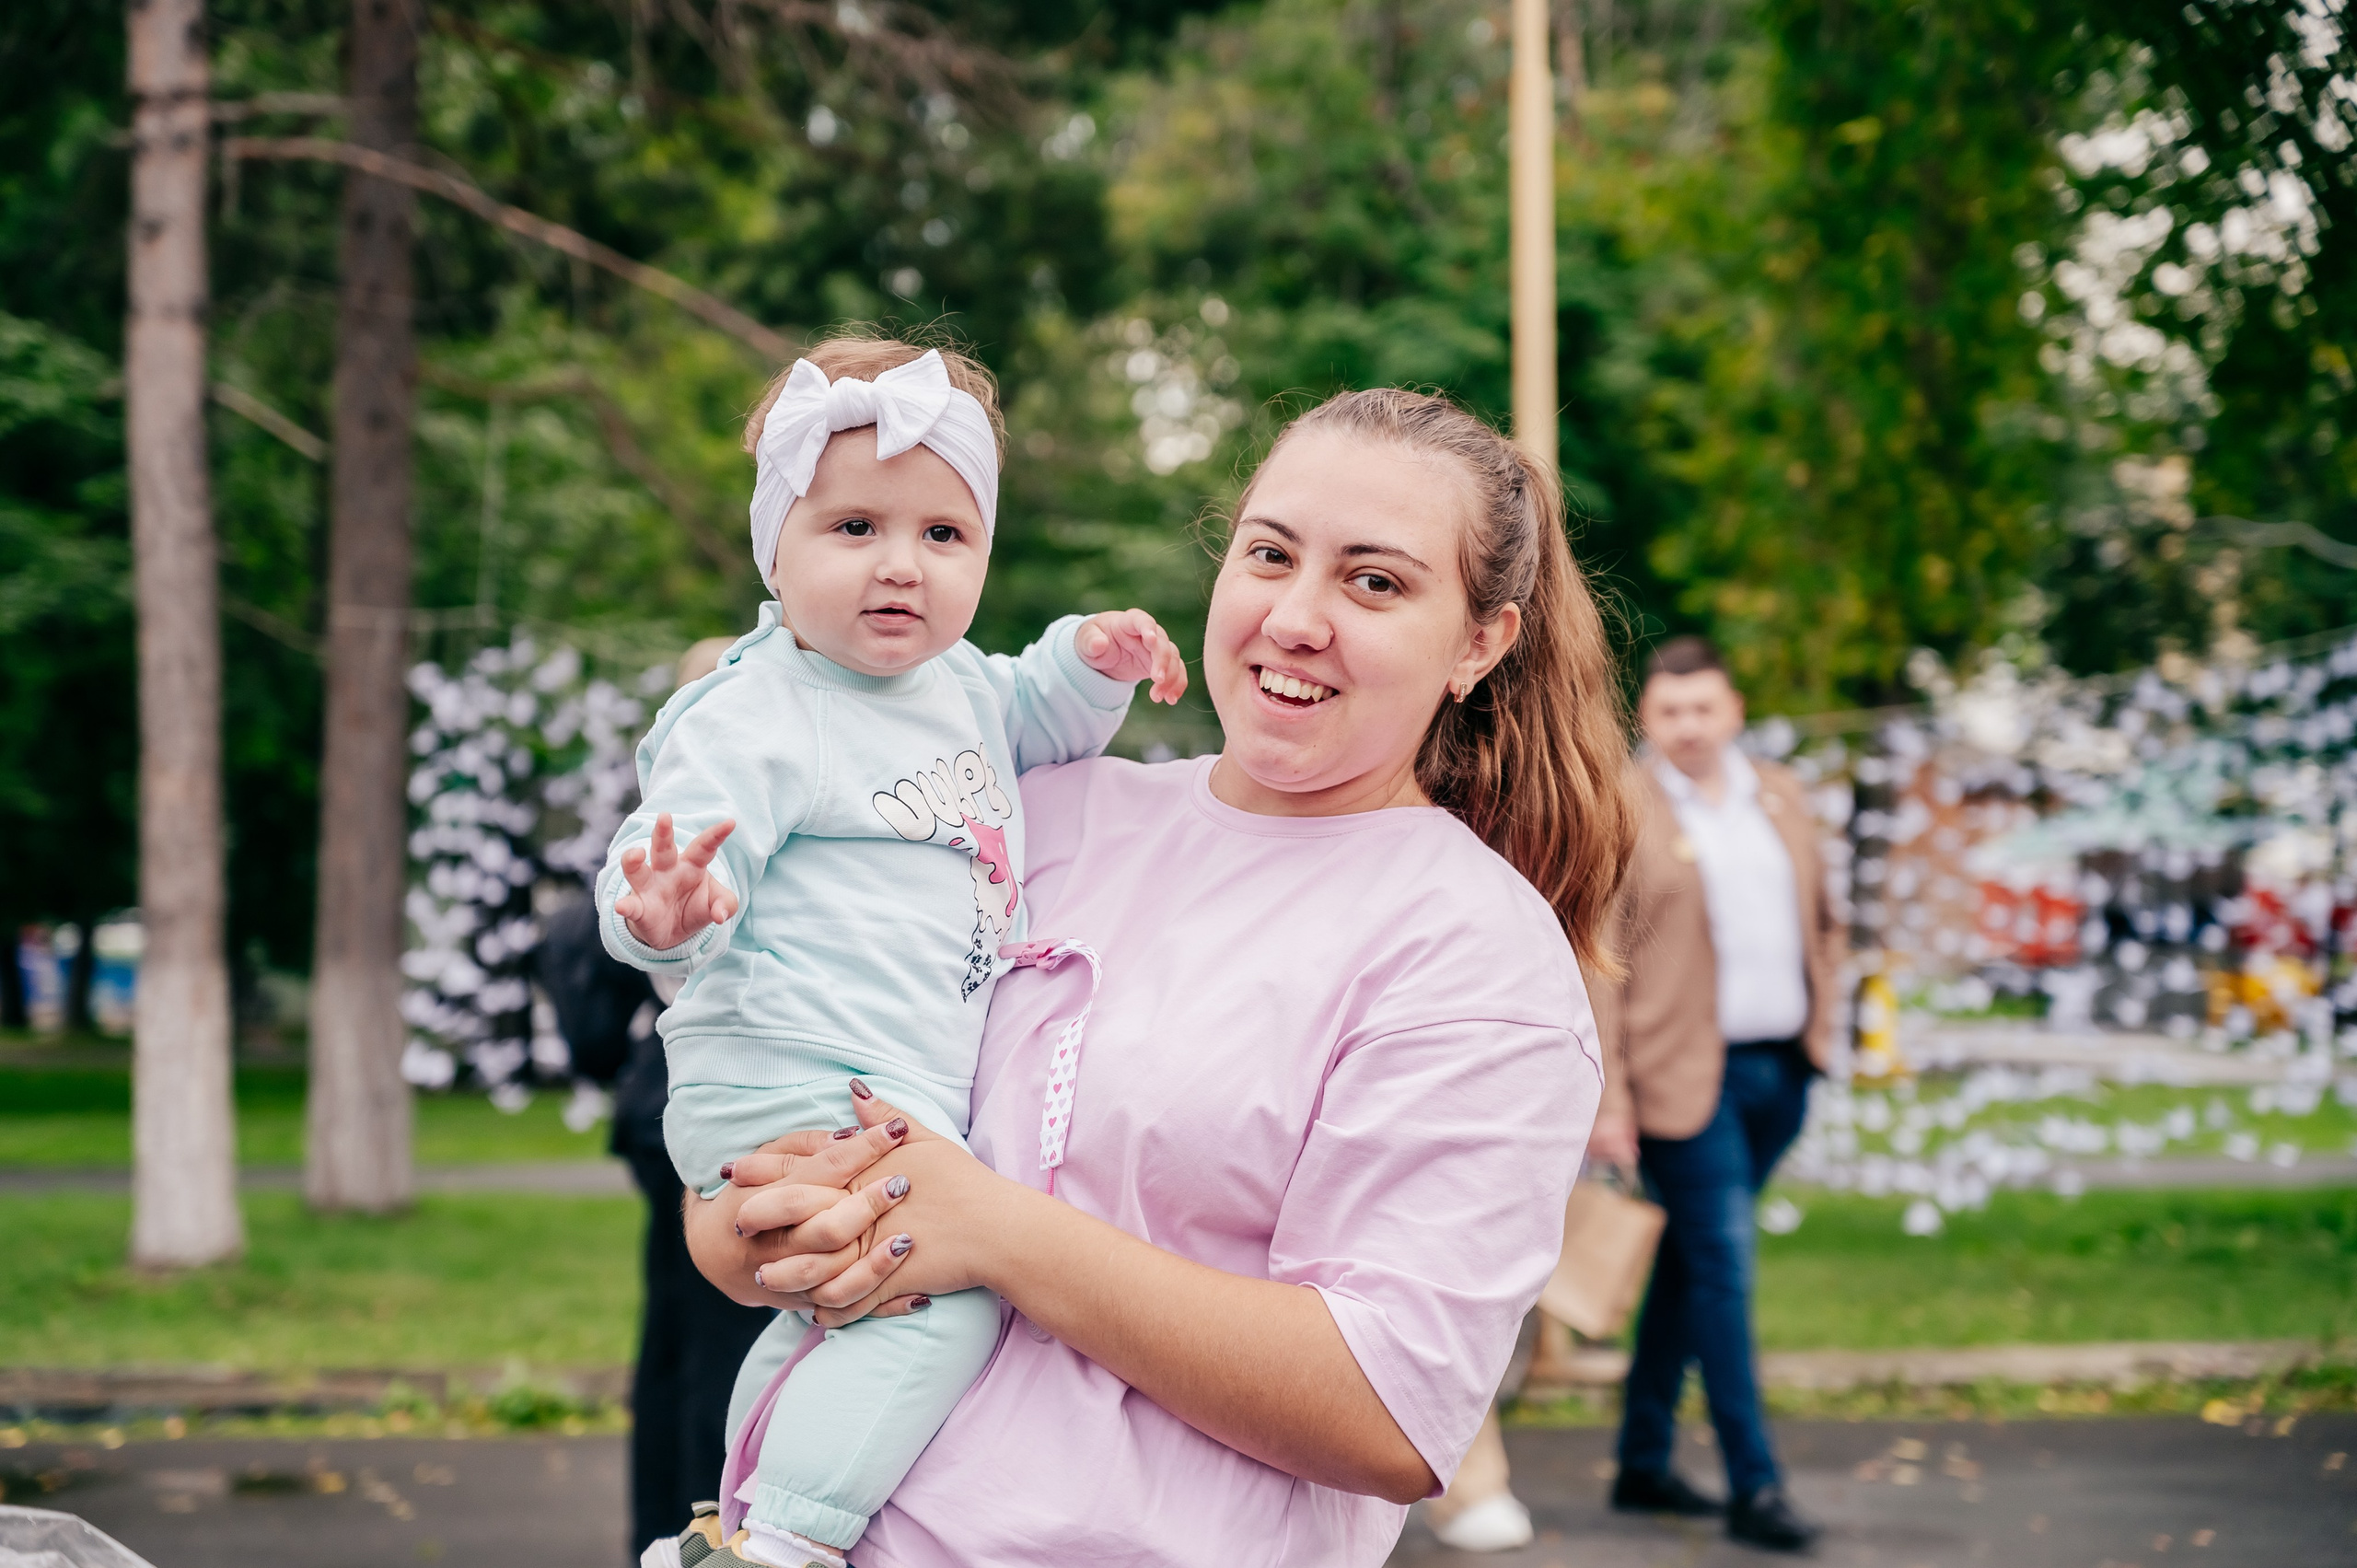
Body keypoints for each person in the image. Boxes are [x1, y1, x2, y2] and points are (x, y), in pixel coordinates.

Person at [678, 386, 1636, 1568]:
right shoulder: (1036, 816)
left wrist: (997, 1232)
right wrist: (751, 1221)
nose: (1296, 615)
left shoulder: (1472, 954)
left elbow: (1390, 1409)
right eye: (1269, 554)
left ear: (1479, 643)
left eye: (1373, 582)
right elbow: (764, 1156)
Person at [598, 334, 1189, 1568]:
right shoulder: (763, 705)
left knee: (849, 1309)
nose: (899, 568)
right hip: (788, 1072)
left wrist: (1093, 656)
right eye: (854, 526)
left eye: (942, 536)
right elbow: (671, 855)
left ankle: (735, 1517)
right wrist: (667, 905)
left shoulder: (963, 686)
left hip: (882, 1086)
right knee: (936, 1295)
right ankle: (779, 1545)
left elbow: (1039, 711)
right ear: (777, 544)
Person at [1586, 635, 1843, 1553]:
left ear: (1731, 708)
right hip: (1681, 1082)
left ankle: (1642, 1459)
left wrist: (1825, 1022)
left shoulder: (1782, 793)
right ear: (1646, 720)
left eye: (1703, 708)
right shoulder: (1623, 806)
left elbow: (1822, 915)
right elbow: (1600, 960)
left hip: (1782, 1069)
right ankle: (1755, 1484)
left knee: (1691, 1267)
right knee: (1724, 1268)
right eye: (1668, 712)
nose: (1688, 726)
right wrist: (1608, 1097)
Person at [531, 872, 774, 1563]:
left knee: (679, 1340)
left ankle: (665, 1532)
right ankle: (705, 1531)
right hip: (714, 1116)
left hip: (666, 1109)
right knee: (720, 1346)